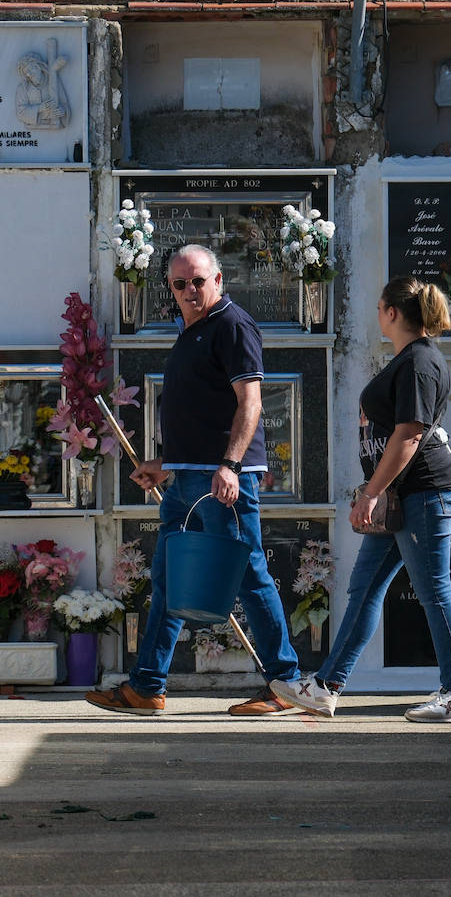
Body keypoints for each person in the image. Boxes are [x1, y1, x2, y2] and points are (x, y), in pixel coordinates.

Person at [85, 244, 303, 718]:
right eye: (180, 284)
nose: (189, 290)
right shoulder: (188, 332)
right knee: (167, 578)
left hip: (224, 479)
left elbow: (251, 404)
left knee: (247, 577)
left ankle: (285, 686)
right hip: (187, 478)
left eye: (198, 281)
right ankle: (147, 687)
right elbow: (202, 415)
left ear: (219, 280)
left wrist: (231, 465)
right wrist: (167, 463)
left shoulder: (232, 325)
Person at [273, 277, 451, 723]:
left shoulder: (420, 361)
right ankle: (326, 686)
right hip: (403, 497)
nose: (377, 314)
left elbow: (409, 435)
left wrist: (371, 493)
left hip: (426, 491)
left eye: (380, 307)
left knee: (434, 591)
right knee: (364, 589)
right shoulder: (406, 360)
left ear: (392, 312)